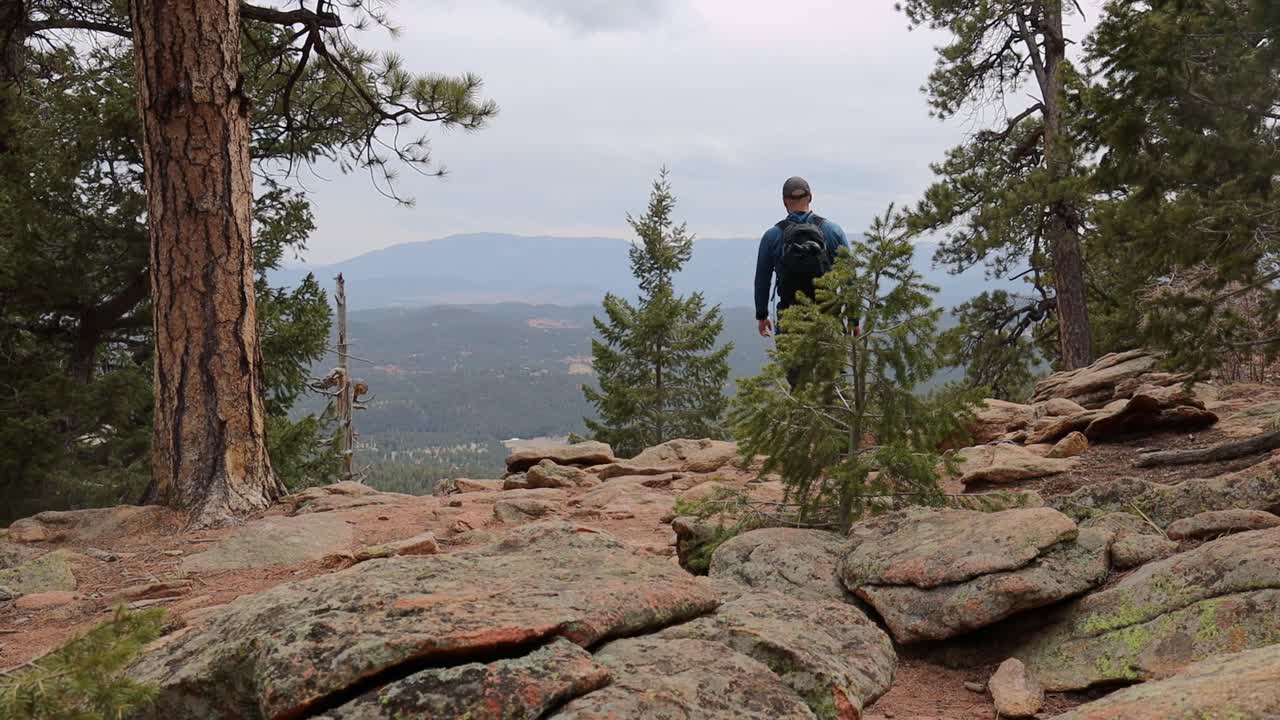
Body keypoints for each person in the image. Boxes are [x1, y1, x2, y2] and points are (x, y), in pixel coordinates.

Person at [753, 176, 850, 386]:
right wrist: (854, 318)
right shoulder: (833, 231)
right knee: (833, 388)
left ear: (784, 201)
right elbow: (849, 276)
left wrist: (762, 314)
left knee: (799, 389)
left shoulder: (772, 236)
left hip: (790, 320)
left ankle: (802, 417)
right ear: (811, 197)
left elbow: (762, 278)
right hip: (828, 319)